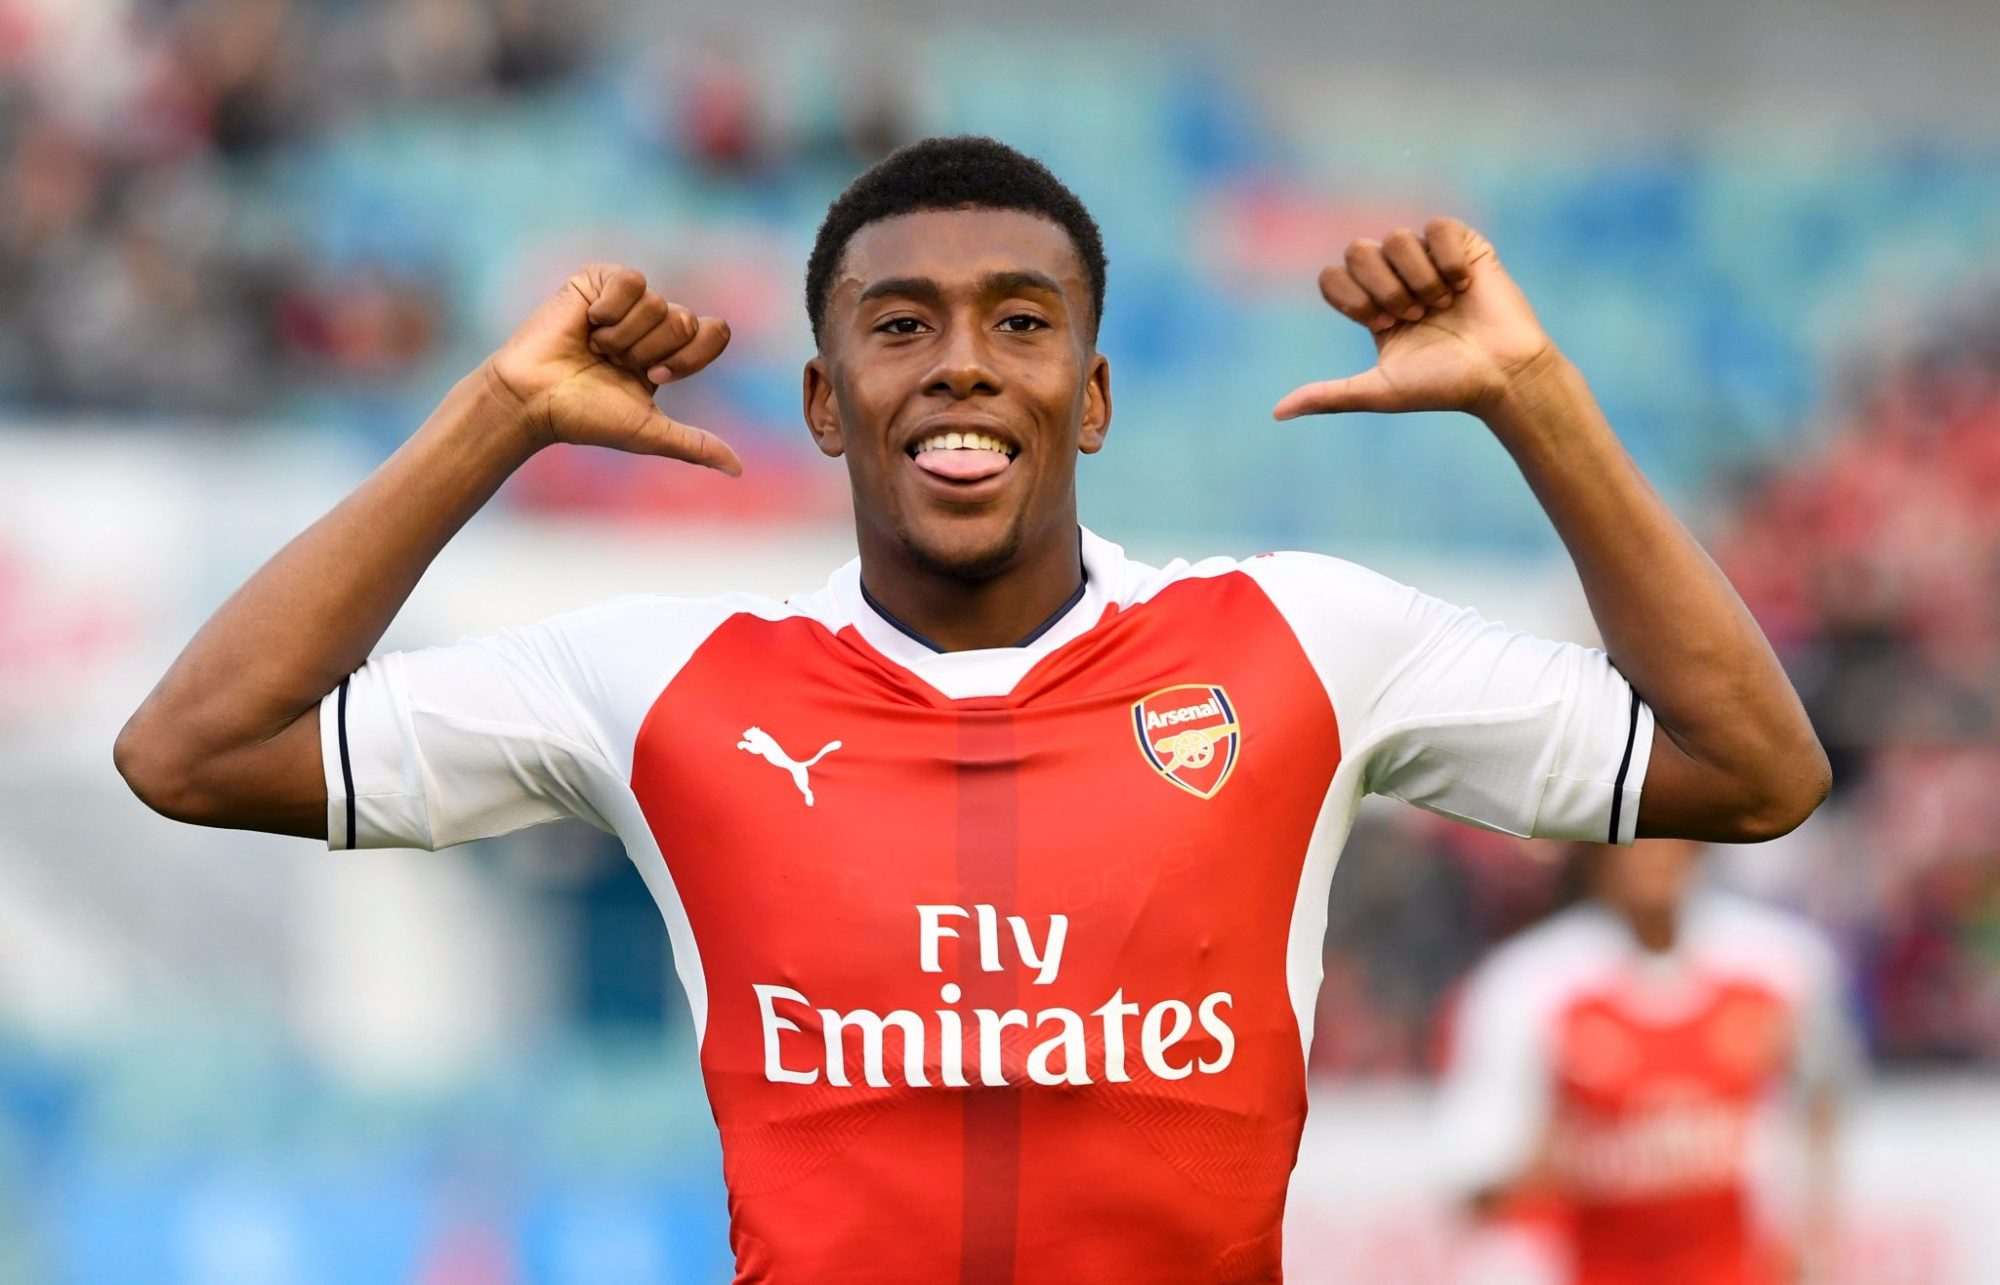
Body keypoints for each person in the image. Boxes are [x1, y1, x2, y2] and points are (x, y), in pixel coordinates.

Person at [113, 135, 1829, 1281]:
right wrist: (497, 412)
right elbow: (194, 750)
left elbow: (1751, 770)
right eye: (901, 325)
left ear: (1091, 396)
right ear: (823, 400)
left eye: (1020, 323)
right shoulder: (659, 683)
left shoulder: (1302, 640)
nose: (960, 363)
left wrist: (1535, 398)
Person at [1434, 839, 1859, 1285]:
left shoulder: (1780, 964)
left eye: (1667, 829)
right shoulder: (1527, 984)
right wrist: (1557, 1162)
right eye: (1631, 833)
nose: (1651, 852)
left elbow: (1825, 1103)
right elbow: (1473, 1179)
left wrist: (1811, 1236)